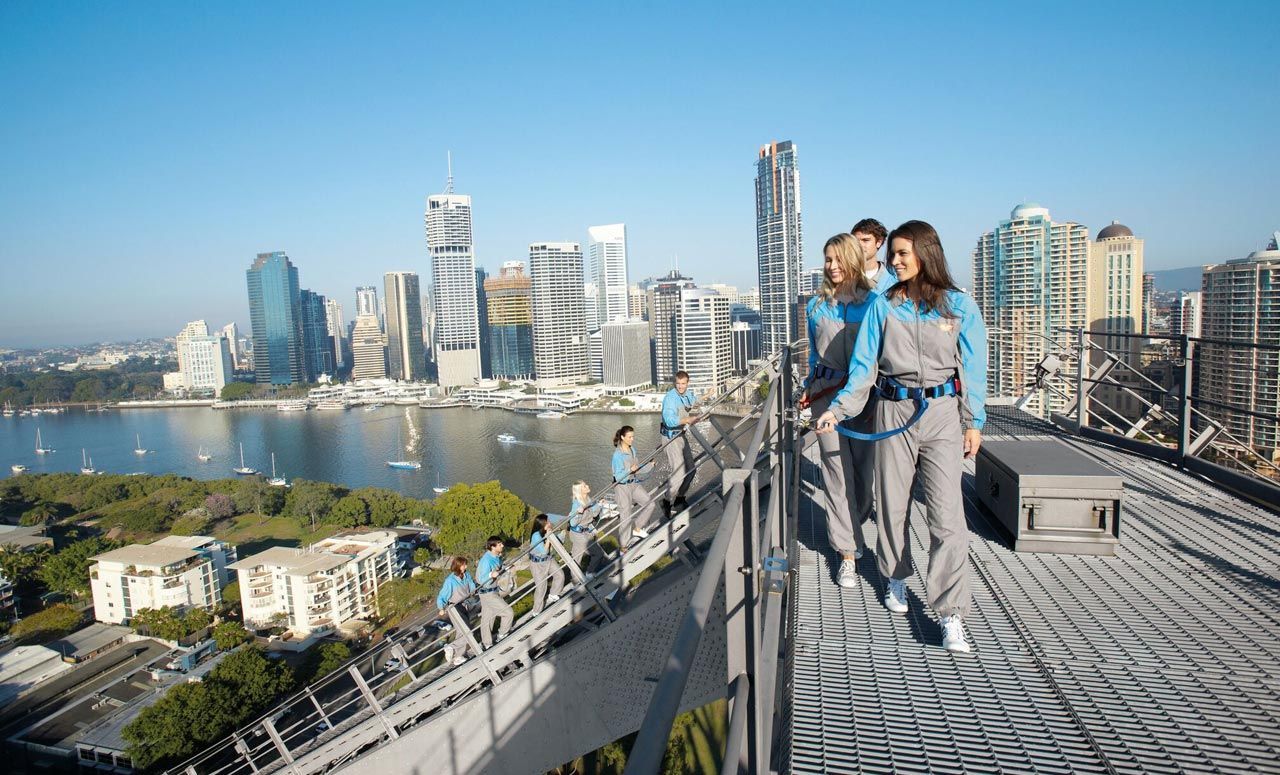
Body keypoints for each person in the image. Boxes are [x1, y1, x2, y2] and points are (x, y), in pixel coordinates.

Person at [815, 220, 987, 654]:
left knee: (947, 516)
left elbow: (974, 367)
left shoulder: (958, 306)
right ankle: (895, 574)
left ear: (926, 254)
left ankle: (951, 614)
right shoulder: (883, 307)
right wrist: (837, 410)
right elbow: (863, 368)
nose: (892, 262)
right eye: (891, 255)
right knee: (892, 504)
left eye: (901, 255)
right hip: (893, 409)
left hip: (943, 414)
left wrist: (974, 421)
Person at [799, 233, 877, 590]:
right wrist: (810, 387)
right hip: (825, 396)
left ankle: (855, 525)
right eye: (826, 259)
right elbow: (815, 356)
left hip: (866, 398)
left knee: (863, 475)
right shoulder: (817, 306)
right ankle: (846, 552)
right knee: (835, 472)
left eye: (836, 259)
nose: (830, 266)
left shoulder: (874, 304)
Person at [611, 425, 658, 547]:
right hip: (622, 487)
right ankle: (624, 546)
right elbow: (617, 476)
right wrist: (629, 470)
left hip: (633, 483)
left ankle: (637, 528)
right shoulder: (617, 455)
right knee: (625, 517)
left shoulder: (632, 450)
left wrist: (650, 465)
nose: (632, 439)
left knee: (650, 503)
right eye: (630, 437)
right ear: (622, 437)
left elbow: (637, 469)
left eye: (633, 436)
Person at [660, 371, 699, 513]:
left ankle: (680, 498)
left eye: (683, 384)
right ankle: (666, 500)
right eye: (678, 383)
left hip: (680, 435)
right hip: (670, 437)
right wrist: (688, 420)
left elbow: (692, 401)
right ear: (675, 383)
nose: (680, 386)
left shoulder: (686, 394)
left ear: (687, 383)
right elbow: (669, 420)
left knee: (691, 469)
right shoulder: (670, 399)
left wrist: (707, 395)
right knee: (678, 472)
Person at [435, 556, 477, 666]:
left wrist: (474, 590)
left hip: (465, 605)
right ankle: (452, 648)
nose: (466, 566)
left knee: (461, 632)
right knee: (466, 631)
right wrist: (441, 608)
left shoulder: (466, 575)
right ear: (458, 566)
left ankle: (457, 655)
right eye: (464, 565)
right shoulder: (450, 581)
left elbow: (472, 585)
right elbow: (442, 596)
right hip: (455, 608)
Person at [475, 536, 515, 649]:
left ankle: (487, 644)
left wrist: (505, 569)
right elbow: (480, 579)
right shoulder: (486, 560)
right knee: (508, 613)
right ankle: (502, 634)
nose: (502, 545)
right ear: (492, 547)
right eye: (499, 544)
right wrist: (490, 575)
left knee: (487, 619)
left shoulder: (496, 557)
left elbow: (498, 569)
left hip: (492, 591)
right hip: (487, 593)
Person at [567, 480, 608, 574]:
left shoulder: (588, 499)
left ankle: (576, 581)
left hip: (585, 532)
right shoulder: (576, 504)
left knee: (576, 559)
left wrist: (599, 504)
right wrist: (579, 513)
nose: (587, 486)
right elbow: (572, 523)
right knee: (598, 553)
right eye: (584, 486)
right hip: (578, 534)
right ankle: (589, 572)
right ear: (580, 491)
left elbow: (594, 514)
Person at [528, 513, 565, 613]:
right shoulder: (536, 536)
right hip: (538, 564)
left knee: (560, 574)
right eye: (548, 522)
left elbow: (549, 550)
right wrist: (549, 536)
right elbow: (544, 551)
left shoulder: (545, 531)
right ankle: (536, 611)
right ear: (543, 524)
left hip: (548, 559)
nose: (550, 523)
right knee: (541, 587)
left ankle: (553, 594)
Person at [851, 217, 897, 294]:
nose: (859, 245)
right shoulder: (842, 279)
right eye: (855, 241)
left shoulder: (893, 283)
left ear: (879, 242)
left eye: (865, 240)